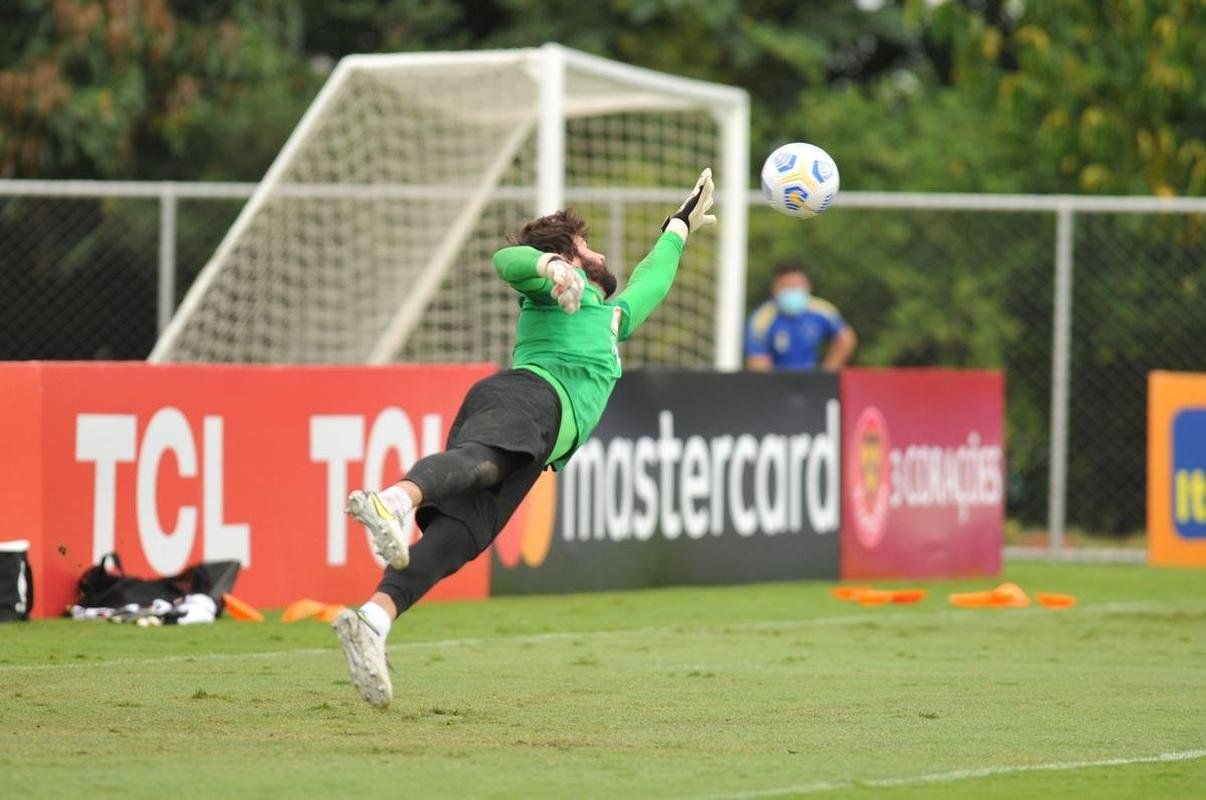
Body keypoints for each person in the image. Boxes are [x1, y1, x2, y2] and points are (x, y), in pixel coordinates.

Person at [333, 169, 717, 708]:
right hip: (529, 395)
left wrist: (676, 228)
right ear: (572, 257)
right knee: (483, 462)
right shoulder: (554, 288)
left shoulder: (608, 318)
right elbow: (505, 261)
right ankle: (395, 499)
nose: (596, 251)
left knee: (462, 537)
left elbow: (651, 282)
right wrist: (549, 264)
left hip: (540, 437)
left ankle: (373, 620)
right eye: (584, 244)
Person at [745, 263, 857, 371]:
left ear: (808, 286)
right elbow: (757, 361)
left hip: (812, 380)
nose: (793, 291)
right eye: (787, 286)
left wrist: (827, 372)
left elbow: (846, 338)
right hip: (776, 381)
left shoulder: (822, 310)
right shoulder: (762, 318)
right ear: (775, 288)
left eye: (797, 285)